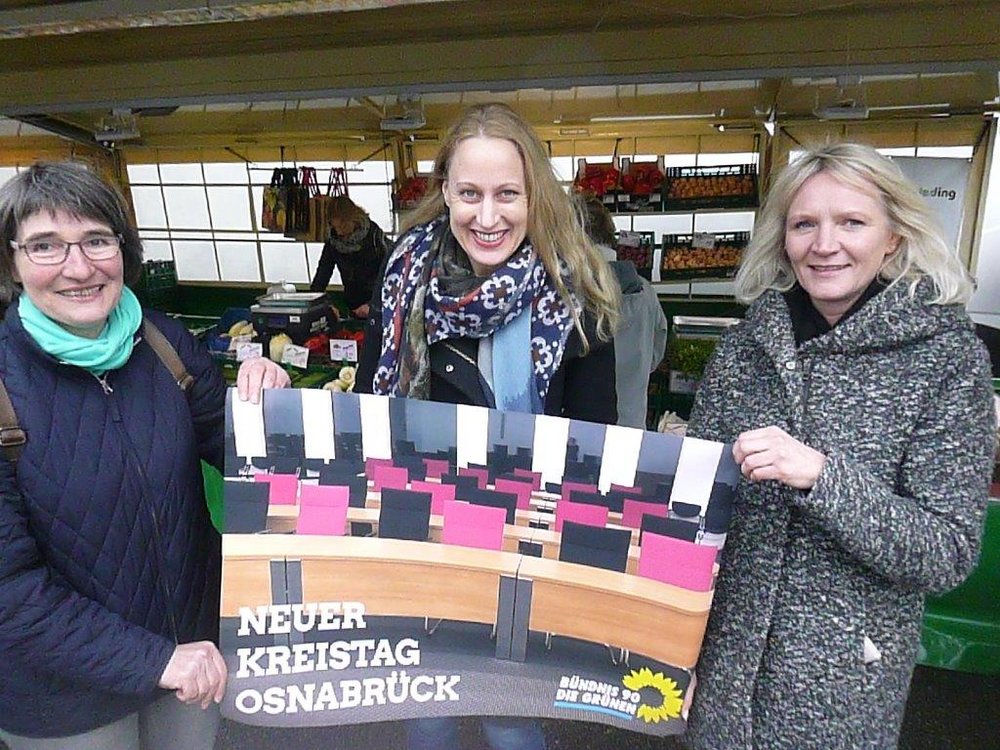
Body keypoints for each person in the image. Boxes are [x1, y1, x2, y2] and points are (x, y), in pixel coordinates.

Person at [683, 143, 997, 750]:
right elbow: (695, 514)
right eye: (804, 224)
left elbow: (947, 552)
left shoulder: (946, 361)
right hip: (723, 671)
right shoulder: (744, 351)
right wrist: (676, 648)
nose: (824, 244)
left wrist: (822, 478)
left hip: (844, 684)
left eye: (852, 222)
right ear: (783, 239)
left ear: (894, 237)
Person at [355, 102, 622, 750]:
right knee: (428, 713)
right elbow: (366, 406)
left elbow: (597, 442)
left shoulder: (575, 298)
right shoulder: (403, 281)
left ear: (534, 196)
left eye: (507, 194)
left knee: (510, 721)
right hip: (424, 546)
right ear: (444, 190)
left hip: (526, 550)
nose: (487, 215)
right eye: (470, 193)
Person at [0, 161, 289, 750]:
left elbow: (250, 463)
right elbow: (10, 588)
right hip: (65, 697)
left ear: (123, 248)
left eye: (96, 240)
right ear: (12, 261)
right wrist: (153, 659)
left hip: (192, 662)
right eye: (45, 246)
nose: (79, 268)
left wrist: (272, 410)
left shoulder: (163, 345)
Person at [576, 192, 667, 428]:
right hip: (632, 426)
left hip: (581, 432)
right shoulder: (646, 291)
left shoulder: (568, 292)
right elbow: (655, 356)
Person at [309, 195, 389, 320]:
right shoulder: (333, 242)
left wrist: (373, 304)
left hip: (379, 306)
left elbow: (391, 274)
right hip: (352, 307)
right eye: (335, 227)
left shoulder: (375, 237)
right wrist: (322, 305)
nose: (339, 232)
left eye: (343, 226)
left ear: (354, 218)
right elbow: (321, 277)